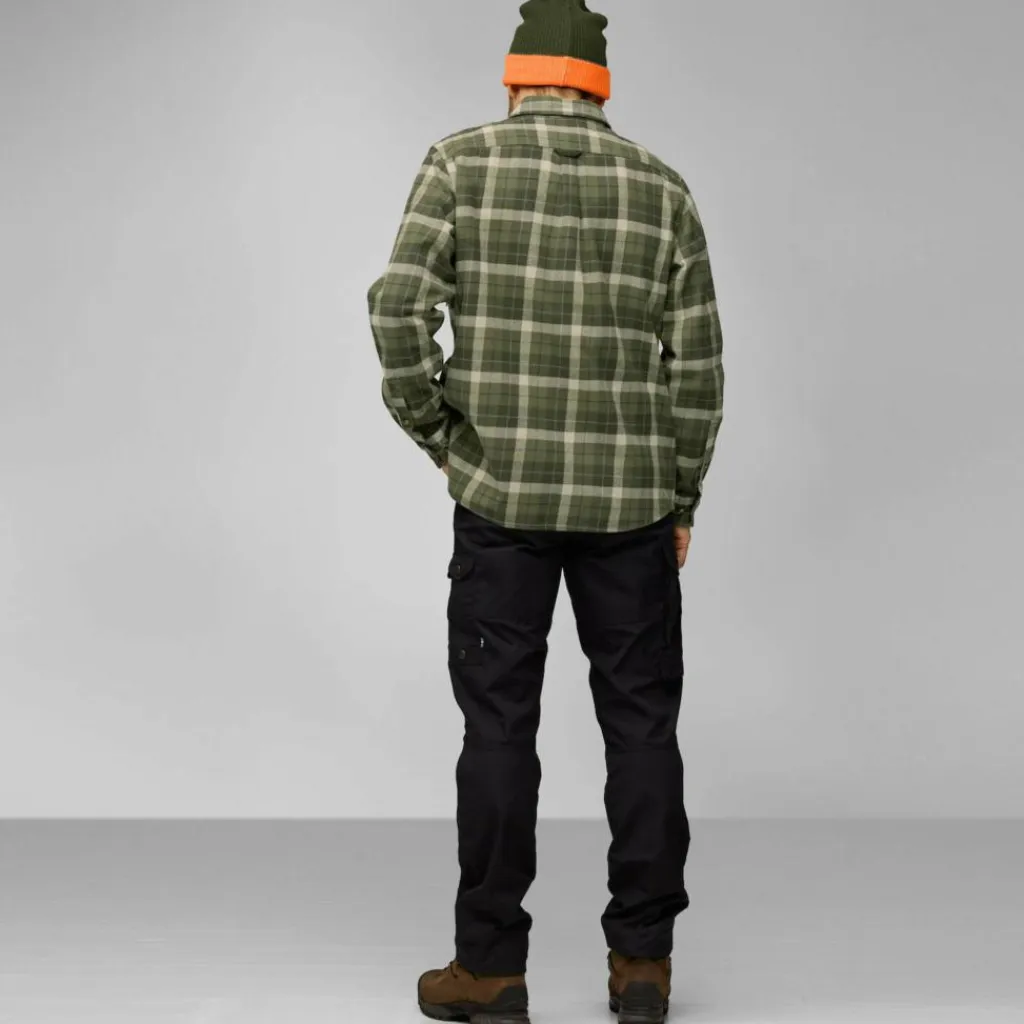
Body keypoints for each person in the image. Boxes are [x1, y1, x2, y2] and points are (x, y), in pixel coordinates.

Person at [367, 1, 724, 1020]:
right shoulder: (661, 187)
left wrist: (442, 435)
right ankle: (643, 966)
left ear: (516, 74)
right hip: (631, 504)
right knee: (643, 726)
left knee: (497, 728)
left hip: (502, 498)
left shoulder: (459, 161)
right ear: (599, 83)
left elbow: (396, 305)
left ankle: (489, 968)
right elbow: (697, 365)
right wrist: (682, 493)